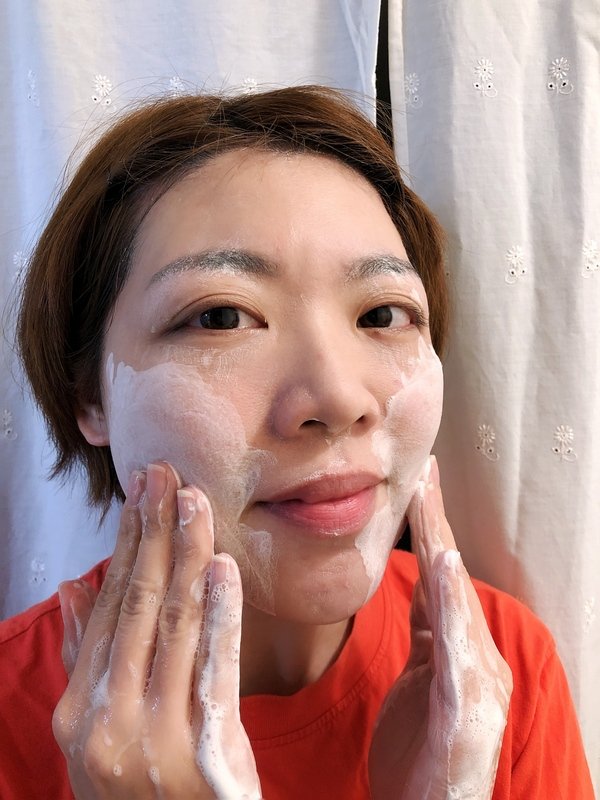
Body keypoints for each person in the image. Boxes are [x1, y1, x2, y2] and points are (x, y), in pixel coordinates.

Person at [0, 85, 593, 799]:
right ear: (89, 396)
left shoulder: (495, 676)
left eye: (382, 314)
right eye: (221, 317)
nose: (339, 399)